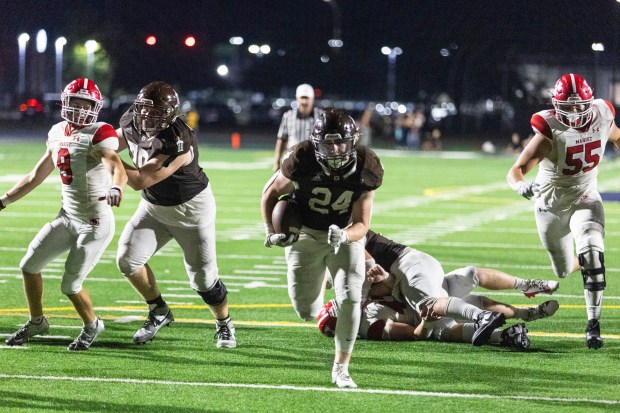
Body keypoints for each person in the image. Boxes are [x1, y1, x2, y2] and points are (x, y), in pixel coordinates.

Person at [261, 108, 383, 389]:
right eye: (327, 144)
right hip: (305, 233)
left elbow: (363, 224)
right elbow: (270, 193)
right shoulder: (301, 158)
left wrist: (345, 235)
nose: (335, 150)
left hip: (344, 234)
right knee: (307, 311)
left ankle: (341, 367)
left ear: (353, 141)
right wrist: (271, 230)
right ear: (316, 144)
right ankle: (326, 278)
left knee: (352, 297)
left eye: (340, 142)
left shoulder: (367, 165)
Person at [2, 78, 127, 351]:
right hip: (66, 216)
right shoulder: (57, 131)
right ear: (65, 102)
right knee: (28, 266)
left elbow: (116, 165)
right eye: (77, 103)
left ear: (95, 107)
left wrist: (117, 185)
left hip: (94, 221)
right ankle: (37, 321)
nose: (81, 109)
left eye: (87, 104)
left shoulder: (100, 131)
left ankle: (93, 325)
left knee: (70, 285)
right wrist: (4, 201)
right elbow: (36, 175)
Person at [115, 81, 236, 348]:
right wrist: (93, 144)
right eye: (144, 110)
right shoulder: (130, 120)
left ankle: (224, 323)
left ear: (169, 115)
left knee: (203, 280)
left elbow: (140, 180)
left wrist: (105, 156)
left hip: (191, 210)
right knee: (127, 260)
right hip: (154, 208)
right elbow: (114, 142)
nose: (146, 116)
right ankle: (159, 311)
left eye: (154, 112)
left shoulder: (179, 139)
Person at [507, 73, 620, 349]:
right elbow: (516, 170)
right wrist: (520, 186)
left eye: (578, 105)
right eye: (566, 107)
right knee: (563, 270)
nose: (573, 112)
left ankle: (593, 324)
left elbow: (617, 137)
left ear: (589, 102)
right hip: (550, 206)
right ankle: (575, 258)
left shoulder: (603, 115)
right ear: (556, 105)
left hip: (585, 197)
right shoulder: (550, 129)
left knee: (593, 252)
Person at [363, 230, 552, 344]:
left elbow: (383, 285)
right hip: (416, 272)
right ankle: (527, 309)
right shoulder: (363, 317)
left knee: (436, 315)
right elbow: (385, 285)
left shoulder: (360, 312)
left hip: (409, 272)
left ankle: (487, 322)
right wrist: (385, 277)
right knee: (471, 278)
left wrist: (384, 278)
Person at [319, 263, 559, 349]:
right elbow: (414, 334)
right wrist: (426, 320)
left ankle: (526, 287)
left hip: (427, 288)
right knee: (449, 325)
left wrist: (383, 277)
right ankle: (506, 334)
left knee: (470, 274)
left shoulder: (358, 285)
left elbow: (393, 277)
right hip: (427, 315)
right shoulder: (368, 325)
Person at [272, 83, 324, 171]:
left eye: (307, 98)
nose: (304, 102)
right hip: (293, 162)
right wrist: (277, 162)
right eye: (302, 98)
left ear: (312, 99)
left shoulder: (321, 116)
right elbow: (281, 139)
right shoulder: (288, 116)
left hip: (315, 163)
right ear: (297, 99)